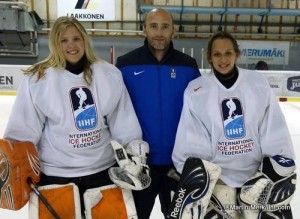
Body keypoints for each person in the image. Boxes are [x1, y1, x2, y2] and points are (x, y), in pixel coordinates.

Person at [2, 16, 148, 218]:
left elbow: (123, 122)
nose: (71, 45)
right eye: (64, 40)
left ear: (85, 41)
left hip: (104, 173)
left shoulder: (108, 74)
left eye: (76, 38)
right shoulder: (38, 79)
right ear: (55, 43)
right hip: (55, 176)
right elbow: (23, 130)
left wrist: (133, 155)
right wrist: (14, 164)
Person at [172, 31, 296, 218]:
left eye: (228, 53)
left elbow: (272, 127)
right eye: (217, 54)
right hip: (218, 182)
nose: (223, 59)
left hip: (257, 178)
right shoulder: (196, 90)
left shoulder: (257, 83)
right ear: (210, 58)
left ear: (236, 54)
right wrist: (198, 175)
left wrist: (276, 168)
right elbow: (192, 136)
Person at [115, 8, 200, 219]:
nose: (159, 32)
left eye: (165, 26)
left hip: (178, 165)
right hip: (138, 165)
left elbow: (200, 113)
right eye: (153, 26)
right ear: (144, 29)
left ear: (174, 31)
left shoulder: (188, 66)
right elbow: (114, 111)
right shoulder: (125, 65)